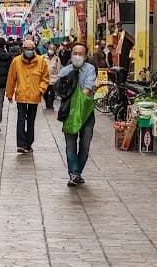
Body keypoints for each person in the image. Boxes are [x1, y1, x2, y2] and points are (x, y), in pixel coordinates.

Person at [57, 43, 97, 187]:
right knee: (70, 145)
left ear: (86, 56)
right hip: (69, 113)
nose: (77, 56)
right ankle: (74, 173)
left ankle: (77, 171)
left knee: (85, 145)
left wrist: (75, 98)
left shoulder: (90, 69)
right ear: (71, 54)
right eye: (75, 53)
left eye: (81, 54)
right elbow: (60, 90)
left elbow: (88, 87)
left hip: (86, 113)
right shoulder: (64, 71)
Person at [6, 39, 50, 153]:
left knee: (31, 121)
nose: (29, 51)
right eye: (27, 49)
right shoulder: (16, 61)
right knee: (21, 120)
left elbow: (45, 79)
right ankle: (21, 144)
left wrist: (40, 90)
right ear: (23, 49)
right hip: (21, 95)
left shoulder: (41, 61)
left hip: (34, 97)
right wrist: (9, 93)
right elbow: (11, 79)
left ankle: (28, 144)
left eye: (31, 49)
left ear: (34, 49)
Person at [44, 43, 61, 110]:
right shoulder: (43, 57)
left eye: (52, 49)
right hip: (45, 79)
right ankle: (47, 104)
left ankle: (50, 105)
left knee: (52, 93)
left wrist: (58, 79)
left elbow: (59, 69)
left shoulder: (57, 59)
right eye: (50, 49)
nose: (51, 50)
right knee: (44, 93)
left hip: (54, 79)